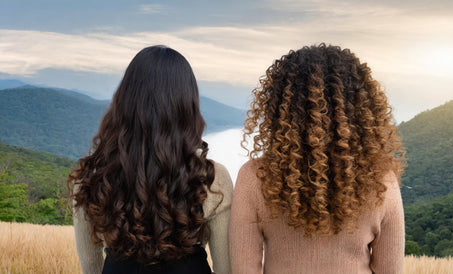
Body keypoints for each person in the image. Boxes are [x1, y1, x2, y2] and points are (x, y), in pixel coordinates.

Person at [230, 44, 405, 274]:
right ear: (361, 108)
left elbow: (243, 269)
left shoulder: (254, 177)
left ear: (280, 107)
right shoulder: (381, 181)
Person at [69, 45, 233, 274]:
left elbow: (91, 266)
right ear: (188, 105)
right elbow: (227, 269)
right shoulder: (212, 179)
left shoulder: (92, 176)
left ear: (125, 101)